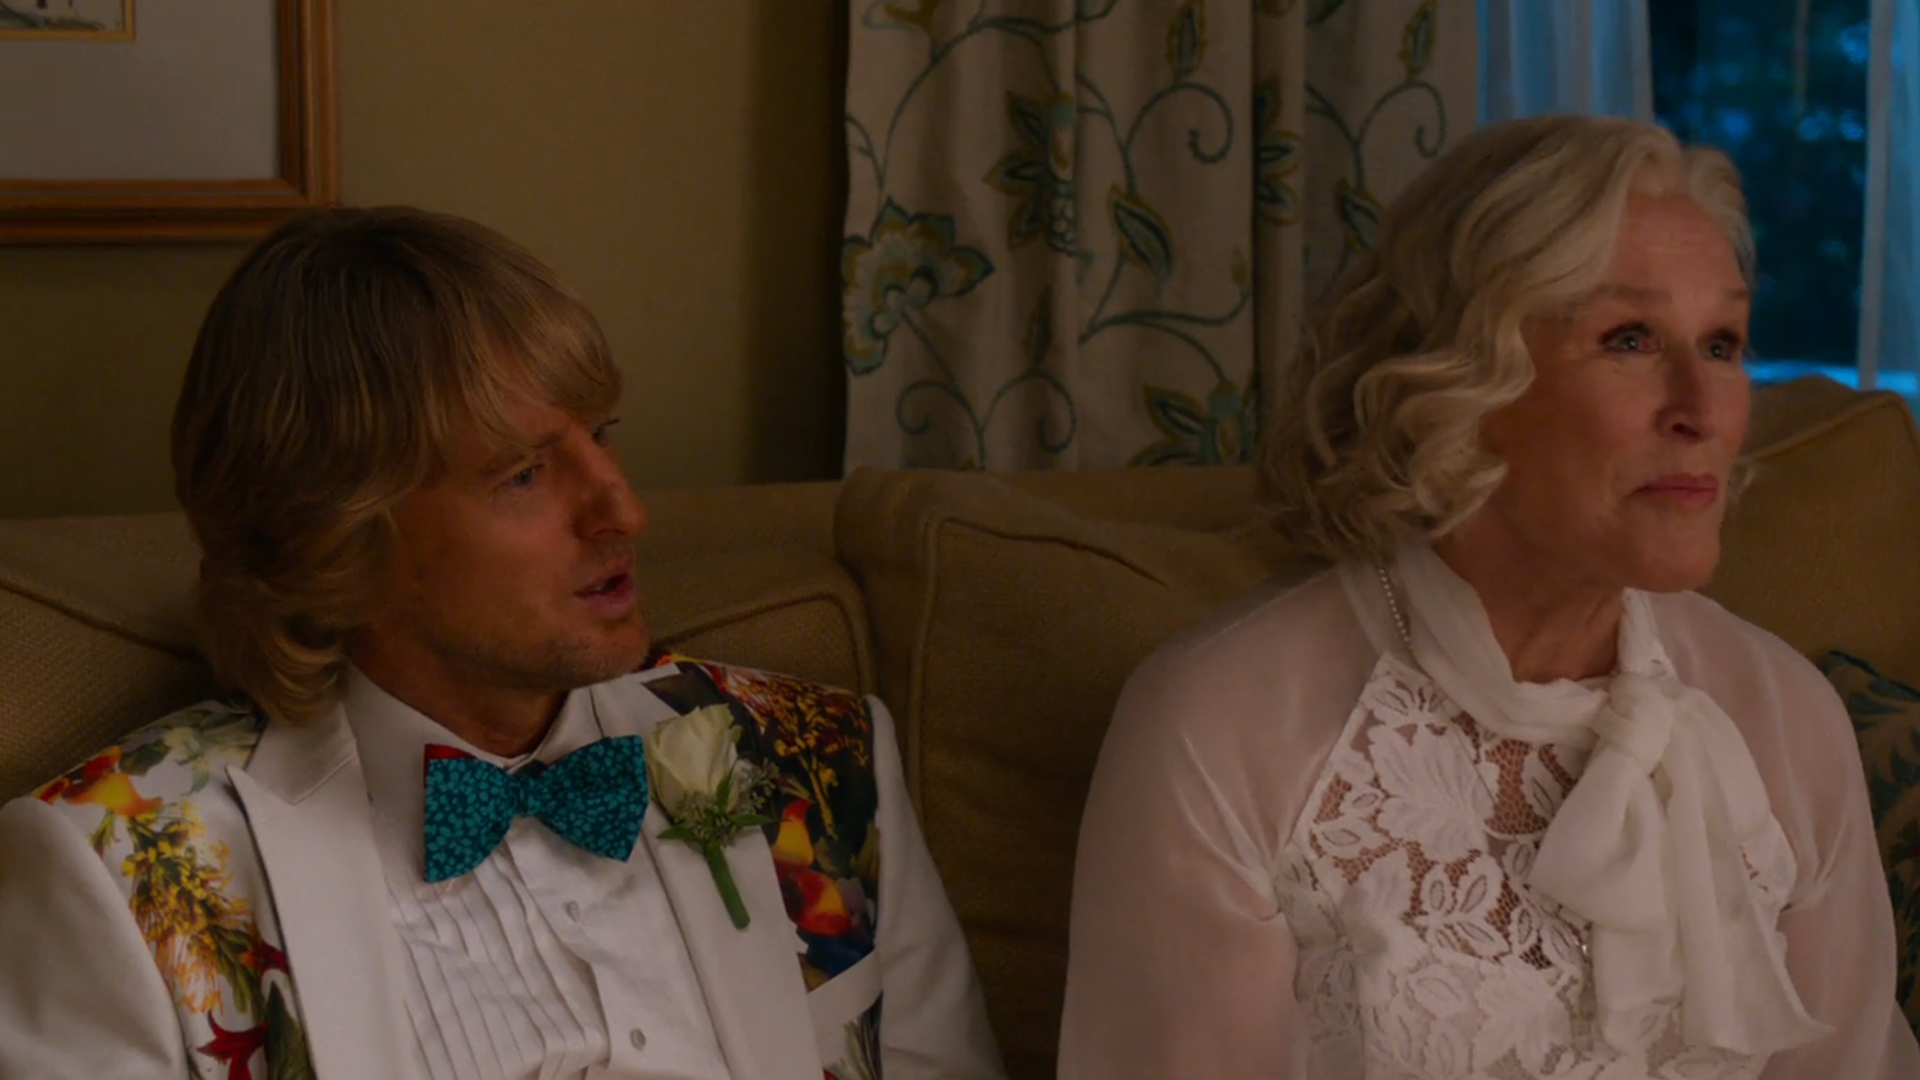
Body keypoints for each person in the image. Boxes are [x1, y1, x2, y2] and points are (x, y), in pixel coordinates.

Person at [0, 207, 1005, 1080]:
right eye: (523, 474)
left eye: (600, 437)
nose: (622, 510)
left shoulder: (821, 762)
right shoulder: (122, 868)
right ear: (336, 538)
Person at [1057, 115, 1920, 1079]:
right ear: (1463, 379)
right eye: (1631, 338)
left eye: (1722, 343)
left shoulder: (1785, 719)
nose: (1703, 408)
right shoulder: (1224, 726)